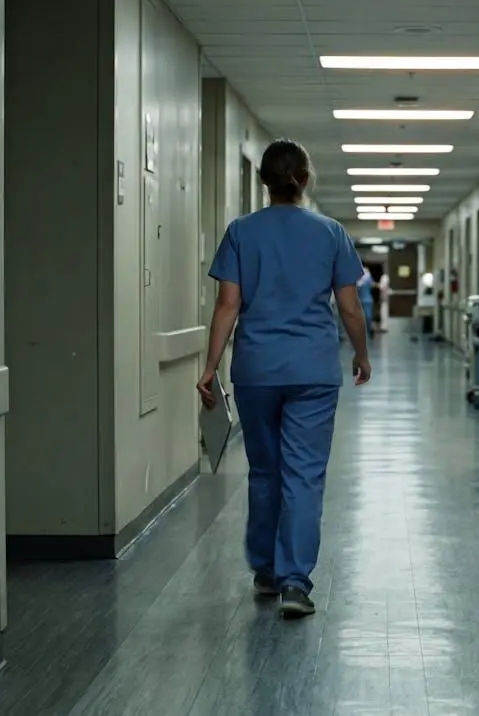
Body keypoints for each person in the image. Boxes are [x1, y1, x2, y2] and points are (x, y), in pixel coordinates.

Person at [197, 138, 372, 619]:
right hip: (313, 370)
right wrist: (361, 354)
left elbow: (227, 305)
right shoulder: (331, 232)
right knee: (304, 475)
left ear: (265, 181)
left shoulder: (240, 232)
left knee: (266, 470)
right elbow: (350, 307)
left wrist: (210, 367)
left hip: (256, 370)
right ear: (305, 179)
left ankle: (267, 570)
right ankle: (295, 582)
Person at [357, 266, 376, 338]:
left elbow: (372, 285)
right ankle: (361, 332)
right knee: (360, 318)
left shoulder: (368, 279)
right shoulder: (358, 280)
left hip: (367, 300)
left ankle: (369, 330)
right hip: (360, 301)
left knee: (368, 316)